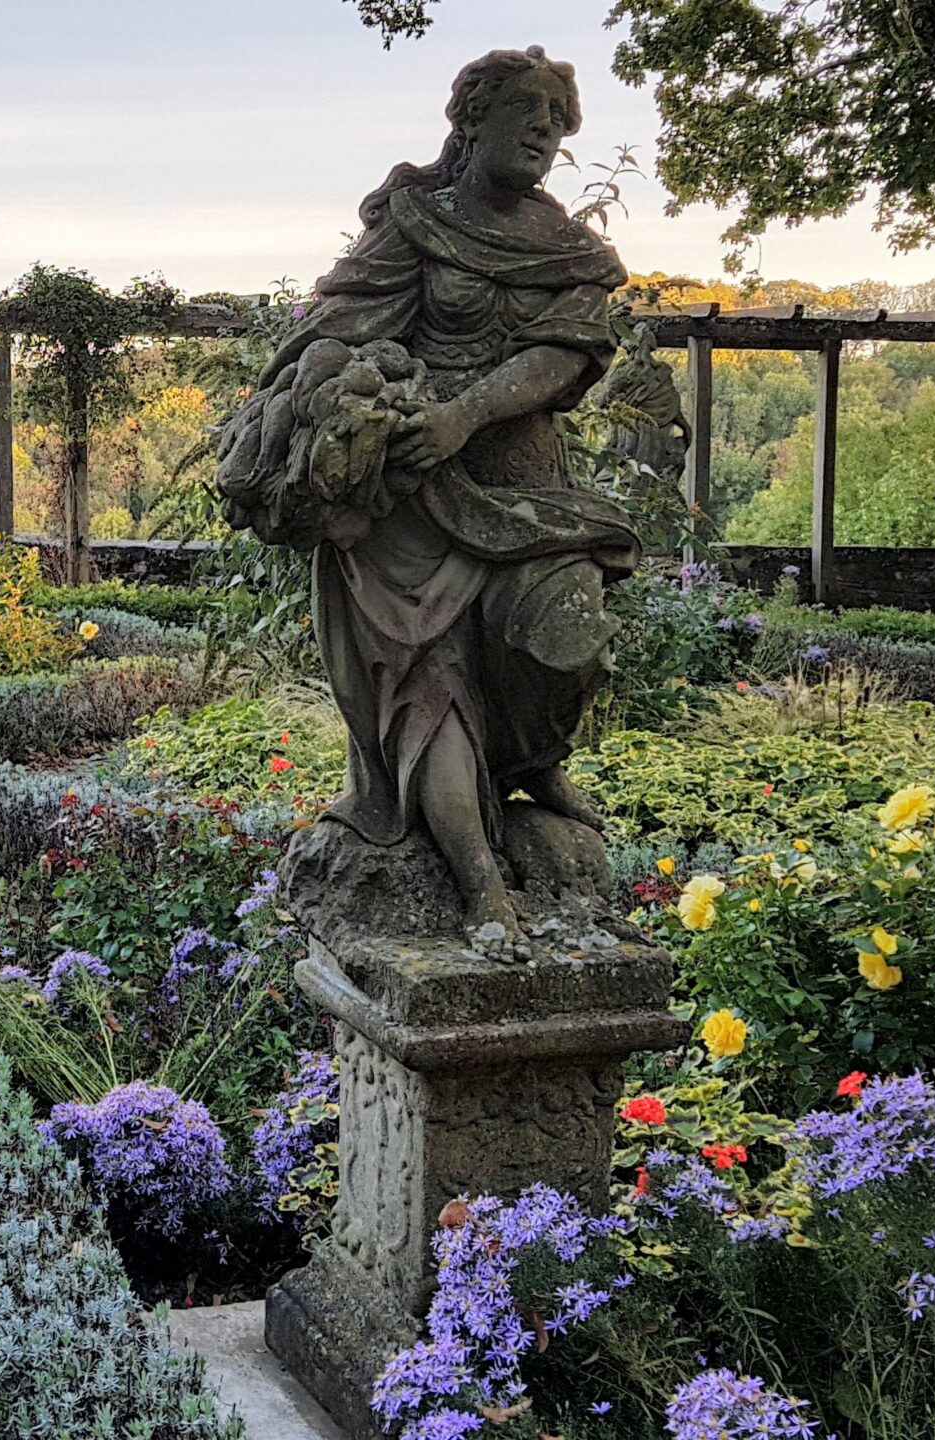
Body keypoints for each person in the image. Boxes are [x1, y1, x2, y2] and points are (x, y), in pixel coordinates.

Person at [225, 48, 639, 928]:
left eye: (558, 118)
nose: (544, 129)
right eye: (527, 109)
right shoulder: (417, 225)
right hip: (409, 503)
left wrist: (466, 411)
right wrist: (321, 415)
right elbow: (330, 336)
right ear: (471, 119)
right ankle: (481, 883)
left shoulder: (568, 249)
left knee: (562, 642)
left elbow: (566, 356)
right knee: (428, 686)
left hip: (525, 489)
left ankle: (531, 761)